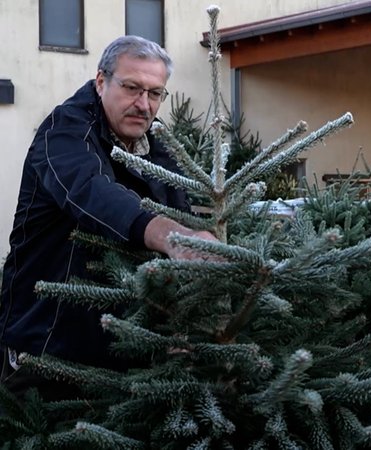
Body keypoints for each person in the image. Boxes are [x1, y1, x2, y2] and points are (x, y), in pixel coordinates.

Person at [0, 36, 216, 401]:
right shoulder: (63, 131)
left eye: (155, 93)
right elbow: (92, 191)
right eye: (132, 88)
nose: (143, 105)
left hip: (123, 352)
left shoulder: (158, 146)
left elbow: (184, 210)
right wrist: (169, 234)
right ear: (101, 81)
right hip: (47, 347)